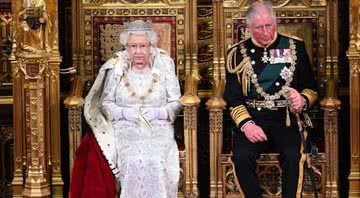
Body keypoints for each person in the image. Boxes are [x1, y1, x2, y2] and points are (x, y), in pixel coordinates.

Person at [70, 20, 182, 198]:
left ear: (151, 45)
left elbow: (176, 102)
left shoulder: (165, 63)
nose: (138, 51)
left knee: (155, 159)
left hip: (158, 125)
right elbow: (105, 102)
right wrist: (124, 113)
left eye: (143, 46)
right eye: (133, 46)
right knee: (131, 160)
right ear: (126, 46)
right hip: (124, 126)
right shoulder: (116, 65)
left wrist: (159, 113)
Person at [224, 1, 318, 198]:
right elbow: (233, 98)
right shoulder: (236, 54)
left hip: (286, 119)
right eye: (259, 27)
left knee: (293, 155)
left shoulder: (295, 47)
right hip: (253, 119)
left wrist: (302, 99)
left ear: (275, 23)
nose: (265, 32)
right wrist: (247, 125)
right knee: (241, 157)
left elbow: (312, 88)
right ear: (249, 27)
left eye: (269, 25)